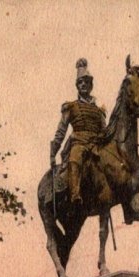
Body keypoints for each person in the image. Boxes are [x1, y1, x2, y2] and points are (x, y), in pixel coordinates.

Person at [50, 58, 107, 205]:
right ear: (77, 86)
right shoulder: (71, 107)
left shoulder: (98, 110)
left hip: (96, 145)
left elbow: (104, 130)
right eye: (81, 82)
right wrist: (53, 151)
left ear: (91, 85)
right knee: (75, 159)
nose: (84, 85)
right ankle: (75, 195)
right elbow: (61, 130)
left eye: (86, 82)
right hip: (79, 143)